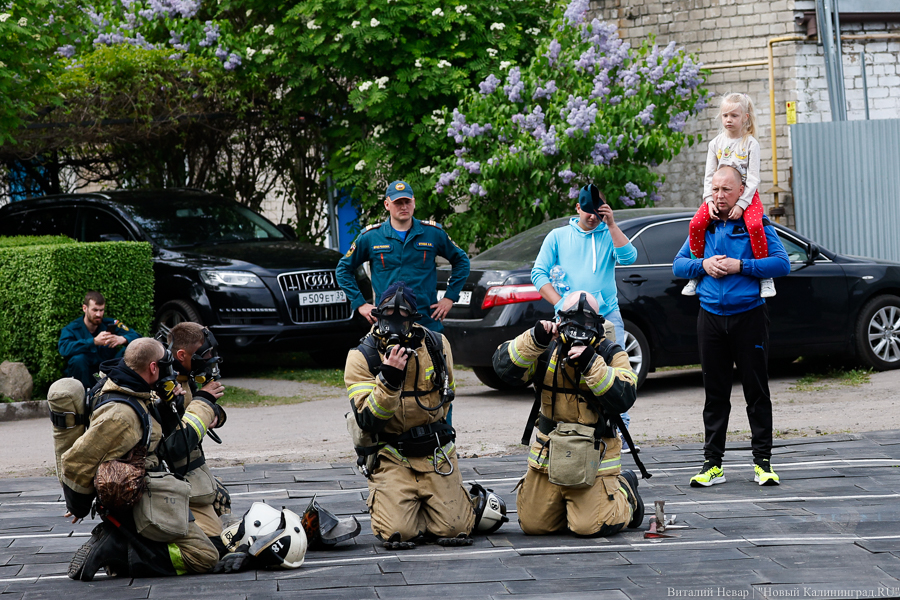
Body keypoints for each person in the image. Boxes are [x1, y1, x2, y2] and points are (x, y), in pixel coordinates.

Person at [60, 337, 226, 580]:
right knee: (204, 556)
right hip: (140, 495)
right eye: (166, 364)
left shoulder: (131, 385)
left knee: (217, 539)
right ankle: (119, 546)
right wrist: (78, 505)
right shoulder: (121, 415)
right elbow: (78, 461)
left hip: (147, 485)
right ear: (153, 367)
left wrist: (169, 406)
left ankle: (123, 541)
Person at [673, 165, 791, 488]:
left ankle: (763, 463)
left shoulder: (755, 223)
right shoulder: (704, 227)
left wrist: (743, 266)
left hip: (749, 316)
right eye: (715, 189)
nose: (719, 196)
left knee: (756, 391)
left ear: (741, 191)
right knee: (715, 394)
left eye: (726, 190)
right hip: (710, 317)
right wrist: (703, 264)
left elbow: (782, 263)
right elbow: (678, 264)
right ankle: (713, 464)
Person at [491, 291, 644, 537]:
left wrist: (591, 364)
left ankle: (625, 492)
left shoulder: (609, 353)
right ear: (559, 320)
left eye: (587, 324)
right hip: (549, 454)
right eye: (572, 322)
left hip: (593, 456)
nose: (579, 332)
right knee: (534, 525)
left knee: (588, 526)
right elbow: (502, 369)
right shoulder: (545, 348)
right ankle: (568, 505)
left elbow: (625, 396)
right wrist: (534, 339)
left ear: (599, 324)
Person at [344, 282, 475, 548]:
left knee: (457, 529)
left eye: (402, 322)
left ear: (413, 323)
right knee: (398, 532)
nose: (393, 327)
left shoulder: (436, 345)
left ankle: (464, 502)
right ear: (377, 316)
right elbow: (369, 420)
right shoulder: (362, 356)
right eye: (387, 319)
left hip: (435, 454)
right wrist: (389, 380)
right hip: (393, 455)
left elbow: (446, 398)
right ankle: (411, 506)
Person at [531, 183, 639, 452]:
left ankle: (619, 430)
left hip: (605, 315)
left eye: (598, 212)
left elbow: (629, 258)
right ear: (577, 207)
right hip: (568, 319)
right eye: (587, 211)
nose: (592, 217)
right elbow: (538, 274)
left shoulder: (607, 234)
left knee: (614, 370)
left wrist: (612, 225)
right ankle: (566, 425)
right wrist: (561, 304)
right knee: (565, 372)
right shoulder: (558, 236)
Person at [335, 180, 470, 333]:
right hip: (388, 322)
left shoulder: (432, 233)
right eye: (398, 202)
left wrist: (450, 297)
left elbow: (462, 261)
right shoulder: (371, 237)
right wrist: (359, 304)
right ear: (387, 205)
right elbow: (343, 269)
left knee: (434, 356)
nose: (404, 206)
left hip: (425, 320)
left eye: (407, 201)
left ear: (414, 203)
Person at [682, 93, 775, 298]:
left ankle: (765, 277)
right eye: (725, 115)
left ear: (746, 118)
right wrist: (708, 201)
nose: (728, 120)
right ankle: (695, 274)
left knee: (755, 226)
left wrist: (742, 204)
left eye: (734, 115)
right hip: (717, 195)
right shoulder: (715, 143)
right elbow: (709, 176)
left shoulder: (751, 144)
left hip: (748, 196)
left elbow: (753, 179)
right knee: (696, 225)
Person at [167, 322, 230, 539]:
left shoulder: (184, 375)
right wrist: (204, 401)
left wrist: (215, 413)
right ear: (182, 354)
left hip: (187, 474)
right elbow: (176, 446)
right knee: (215, 546)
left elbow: (199, 409)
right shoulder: (164, 386)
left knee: (224, 514)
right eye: (205, 354)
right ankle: (120, 549)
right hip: (168, 481)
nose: (210, 358)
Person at [59, 290, 140, 389]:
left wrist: (123, 339)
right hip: (86, 375)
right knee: (78, 359)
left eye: (101, 310)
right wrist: (93, 342)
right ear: (85, 308)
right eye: (95, 310)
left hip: (109, 371)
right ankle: (84, 398)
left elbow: (138, 337)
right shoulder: (72, 328)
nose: (98, 314)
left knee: (128, 351)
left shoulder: (111, 324)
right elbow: (64, 348)